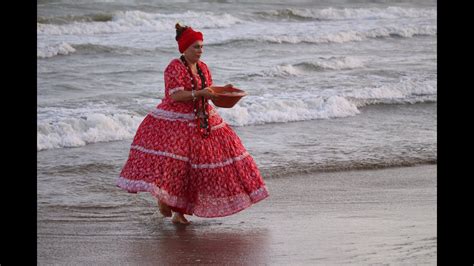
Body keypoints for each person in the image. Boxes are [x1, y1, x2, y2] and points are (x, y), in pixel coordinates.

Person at [116, 23, 269, 224]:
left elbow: (208, 90)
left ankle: (179, 212)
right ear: (184, 49)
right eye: (196, 47)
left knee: (201, 167)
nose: (200, 51)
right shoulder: (173, 67)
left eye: (201, 47)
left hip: (203, 120)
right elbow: (176, 95)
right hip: (176, 123)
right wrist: (200, 93)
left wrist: (222, 89)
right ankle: (164, 198)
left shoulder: (203, 67)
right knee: (177, 167)